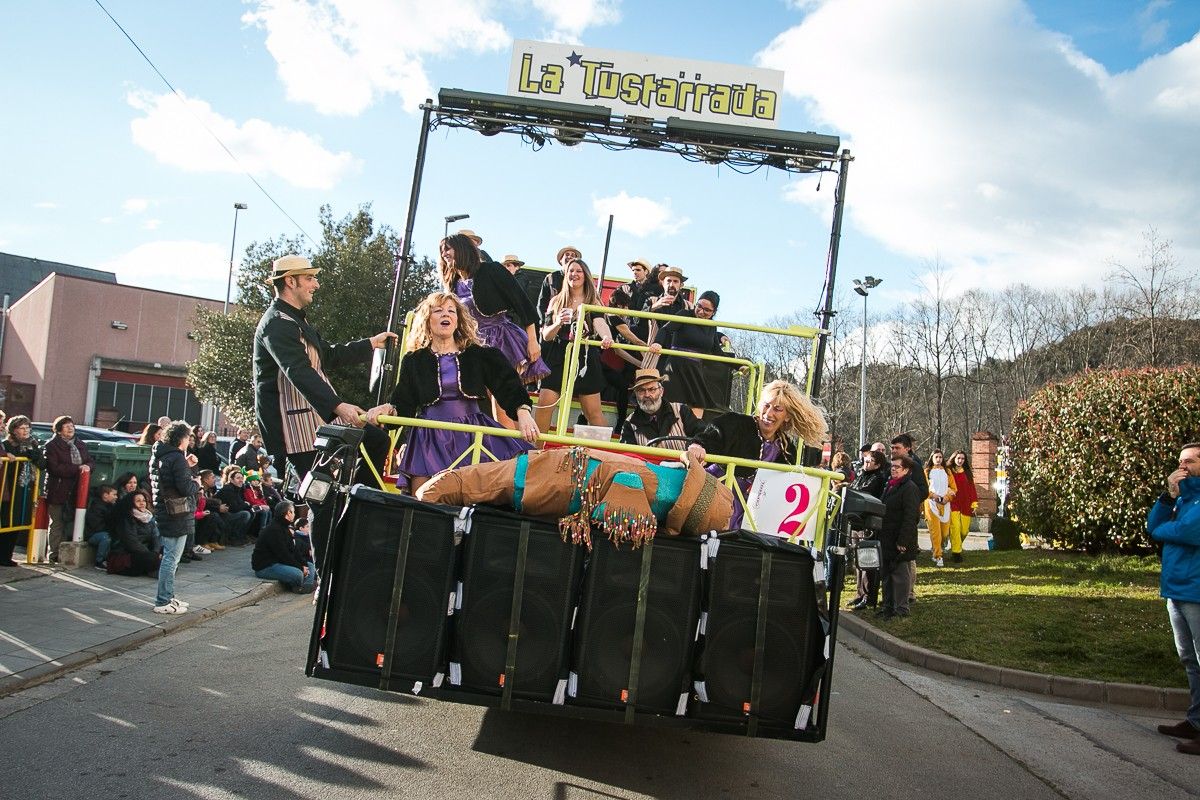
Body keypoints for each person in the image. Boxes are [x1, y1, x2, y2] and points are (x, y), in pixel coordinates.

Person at [253, 254, 396, 563]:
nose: (316, 284)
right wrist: (338, 406)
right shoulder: (276, 325)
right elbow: (298, 371)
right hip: (295, 430)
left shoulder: (295, 321)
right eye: (310, 278)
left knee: (376, 441)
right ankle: (325, 577)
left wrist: (371, 343)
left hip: (315, 421)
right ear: (290, 282)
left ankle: (357, 506)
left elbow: (327, 357)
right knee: (323, 500)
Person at [365, 291, 538, 496]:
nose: (445, 314)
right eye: (438, 311)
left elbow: (508, 385)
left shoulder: (480, 355)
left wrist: (523, 411)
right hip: (429, 436)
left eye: (451, 311)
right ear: (428, 320)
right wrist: (388, 409)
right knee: (423, 500)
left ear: (457, 320)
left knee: (474, 496)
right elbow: (403, 404)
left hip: (472, 434)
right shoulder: (415, 360)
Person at [686, 380, 829, 530]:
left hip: (752, 513)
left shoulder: (787, 450)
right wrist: (698, 445)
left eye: (777, 409)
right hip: (715, 498)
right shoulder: (735, 423)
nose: (768, 414)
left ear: (787, 416)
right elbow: (710, 437)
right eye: (766, 406)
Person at [440, 233, 549, 396]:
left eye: (448, 249)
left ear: (462, 249)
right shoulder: (453, 283)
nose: (444, 254)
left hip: (500, 339)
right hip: (471, 344)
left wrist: (533, 341)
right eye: (442, 251)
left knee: (503, 400)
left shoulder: (491, 270)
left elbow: (523, 304)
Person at [1147, 442, 1200, 756]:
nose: (1183, 467)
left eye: (1190, 461)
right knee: (1190, 660)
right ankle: (1195, 721)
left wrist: (1168, 528)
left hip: (1195, 590)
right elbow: (1154, 525)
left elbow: (1188, 532)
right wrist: (1168, 495)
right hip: (1176, 589)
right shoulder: (1183, 499)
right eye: (1180, 461)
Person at [536, 258, 614, 433]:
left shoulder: (593, 300)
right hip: (558, 355)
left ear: (585, 275)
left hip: (584, 356)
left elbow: (600, 323)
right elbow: (546, 336)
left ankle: (604, 453)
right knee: (544, 404)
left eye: (579, 271)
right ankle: (536, 453)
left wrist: (606, 337)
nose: (574, 274)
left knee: (593, 412)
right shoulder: (556, 300)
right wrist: (557, 323)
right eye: (571, 271)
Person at [150, 421, 199, 615]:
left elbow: (168, 478)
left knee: (171, 557)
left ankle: (168, 596)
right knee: (171, 558)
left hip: (165, 509)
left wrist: (186, 465)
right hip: (176, 512)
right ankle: (162, 600)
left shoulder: (162, 454)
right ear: (181, 439)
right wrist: (196, 482)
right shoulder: (176, 458)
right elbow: (185, 487)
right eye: (188, 437)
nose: (189, 440)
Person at [43, 416, 95, 563]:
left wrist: (88, 467)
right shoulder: (52, 445)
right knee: (57, 522)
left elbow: (90, 461)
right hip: (58, 489)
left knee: (70, 521)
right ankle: (53, 553)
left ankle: (65, 552)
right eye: (66, 426)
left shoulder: (80, 444)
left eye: (71, 425)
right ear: (59, 430)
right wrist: (77, 469)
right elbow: (54, 468)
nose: (70, 428)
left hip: (77, 489)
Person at [619, 368, 708, 451]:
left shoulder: (681, 410)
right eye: (641, 391)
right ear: (636, 394)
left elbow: (703, 433)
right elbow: (627, 455)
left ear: (661, 391)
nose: (647, 395)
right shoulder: (630, 423)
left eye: (652, 389)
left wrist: (697, 445)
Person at [878, 453, 921, 619]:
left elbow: (911, 517)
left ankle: (901, 608)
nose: (893, 470)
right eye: (892, 466)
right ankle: (888, 606)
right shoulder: (890, 485)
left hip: (900, 539)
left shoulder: (910, 488)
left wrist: (903, 540)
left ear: (906, 470)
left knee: (900, 575)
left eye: (897, 467)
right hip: (887, 536)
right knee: (887, 574)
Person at [1, 415, 45, 566]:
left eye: (28, 427)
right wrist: (21, 455)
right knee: (7, 520)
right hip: (11, 488)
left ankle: (7, 554)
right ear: (13, 430)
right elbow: (9, 464)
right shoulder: (7, 444)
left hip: (27, 488)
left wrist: (36, 456)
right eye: (22, 428)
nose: (26, 431)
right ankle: (3, 555)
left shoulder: (32, 443)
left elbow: (43, 464)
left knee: (19, 521)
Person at [847, 449, 888, 611]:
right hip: (856, 522)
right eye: (865, 460)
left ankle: (868, 596)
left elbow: (864, 491)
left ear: (877, 464)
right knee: (858, 562)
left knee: (867, 562)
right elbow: (854, 486)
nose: (866, 463)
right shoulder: (861, 474)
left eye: (870, 461)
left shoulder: (877, 478)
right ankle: (859, 593)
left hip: (868, 524)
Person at [251, 500, 317, 593]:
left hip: (280, 562)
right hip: (267, 566)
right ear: (288, 513)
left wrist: (303, 564)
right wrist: (300, 567)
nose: (294, 514)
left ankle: (305, 585)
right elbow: (283, 554)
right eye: (293, 512)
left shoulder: (285, 528)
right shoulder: (273, 530)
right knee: (298, 574)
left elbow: (293, 550)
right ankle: (305, 584)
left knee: (310, 565)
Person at [106, 490, 160, 577]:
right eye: (138, 501)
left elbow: (156, 537)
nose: (142, 503)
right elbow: (132, 542)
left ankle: (153, 567)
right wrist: (152, 555)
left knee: (168, 553)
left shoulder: (149, 517)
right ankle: (153, 568)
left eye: (143, 500)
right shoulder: (127, 518)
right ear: (131, 503)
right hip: (127, 554)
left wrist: (156, 552)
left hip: (146, 552)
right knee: (151, 559)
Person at [924, 449, 957, 567]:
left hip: (945, 504)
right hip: (931, 504)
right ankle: (938, 556)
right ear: (932, 458)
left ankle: (937, 548)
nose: (938, 459)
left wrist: (947, 498)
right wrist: (933, 496)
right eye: (936, 457)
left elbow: (954, 488)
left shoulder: (947, 472)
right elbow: (924, 488)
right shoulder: (927, 471)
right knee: (935, 532)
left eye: (940, 457)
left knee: (944, 533)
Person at [536, 244, 583, 324]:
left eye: (573, 255)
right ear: (561, 260)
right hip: (553, 320)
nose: (570, 257)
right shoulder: (550, 278)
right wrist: (545, 322)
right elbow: (542, 303)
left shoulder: (582, 279)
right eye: (567, 254)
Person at [947, 450, 977, 563]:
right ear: (954, 458)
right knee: (955, 527)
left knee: (964, 531)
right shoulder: (948, 472)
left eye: (962, 459)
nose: (960, 460)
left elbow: (972, 488)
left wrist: (974, 503)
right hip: (953, 503)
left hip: (966, 504)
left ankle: (957, 545)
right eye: (958, 458)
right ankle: (956, 553)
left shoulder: (967, 473)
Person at [84, 484, 118, 570]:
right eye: (114, 494)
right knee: (106, 538)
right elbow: (97, 526)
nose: (116, 497)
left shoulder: (111, 506)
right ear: (105, 495)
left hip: (105, 532)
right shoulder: (96, 508)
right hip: (94, 534)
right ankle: (99, 561)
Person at [193, 470, 225, 551]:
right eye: (212, 477)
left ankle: (213, 540)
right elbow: (203, 502)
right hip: (197, 514)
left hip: (203, 512)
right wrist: (218, 506)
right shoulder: (199, 489)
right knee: (213, 516)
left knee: (219, 515)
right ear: (205, 480)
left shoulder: (210, 490)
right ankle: (202, 542)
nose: (215, 479)